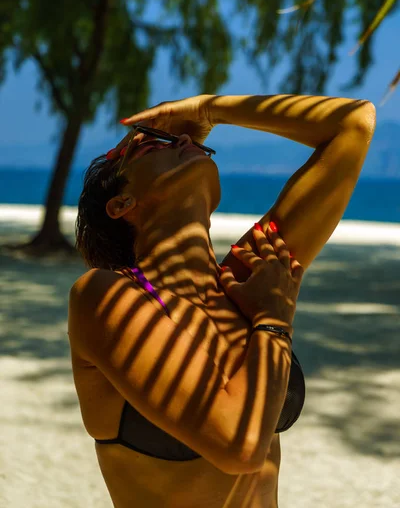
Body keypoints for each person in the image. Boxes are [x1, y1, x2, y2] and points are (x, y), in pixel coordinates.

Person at [68, 93, 375, 508]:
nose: (179, 141)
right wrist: (273, 319)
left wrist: (211, 110)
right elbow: (239, 447)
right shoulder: (105, 295)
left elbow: (354, 123)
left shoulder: (246, 276)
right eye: (150, 144)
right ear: (123, 203)